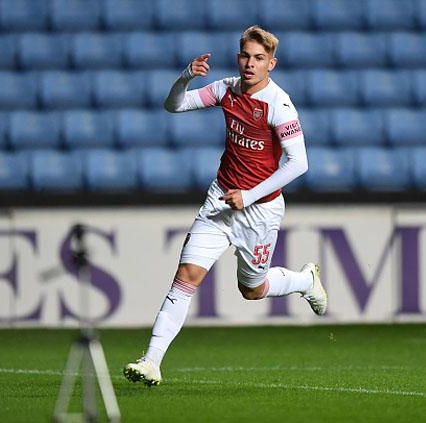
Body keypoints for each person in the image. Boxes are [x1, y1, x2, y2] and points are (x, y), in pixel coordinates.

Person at [123, 25, 328, 387]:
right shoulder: (226, 89)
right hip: (220, 201)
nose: (250, 64)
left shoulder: (278, 105)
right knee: (186, 277)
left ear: (271, 64)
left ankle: (304, 280)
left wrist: (248, 196)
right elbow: (174, 105)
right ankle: (151, 361)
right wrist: (185, 77)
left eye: (259, 58)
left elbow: (299, 163)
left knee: (253, 290)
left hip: (260, 210)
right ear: (239, 58)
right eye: (246, 56)